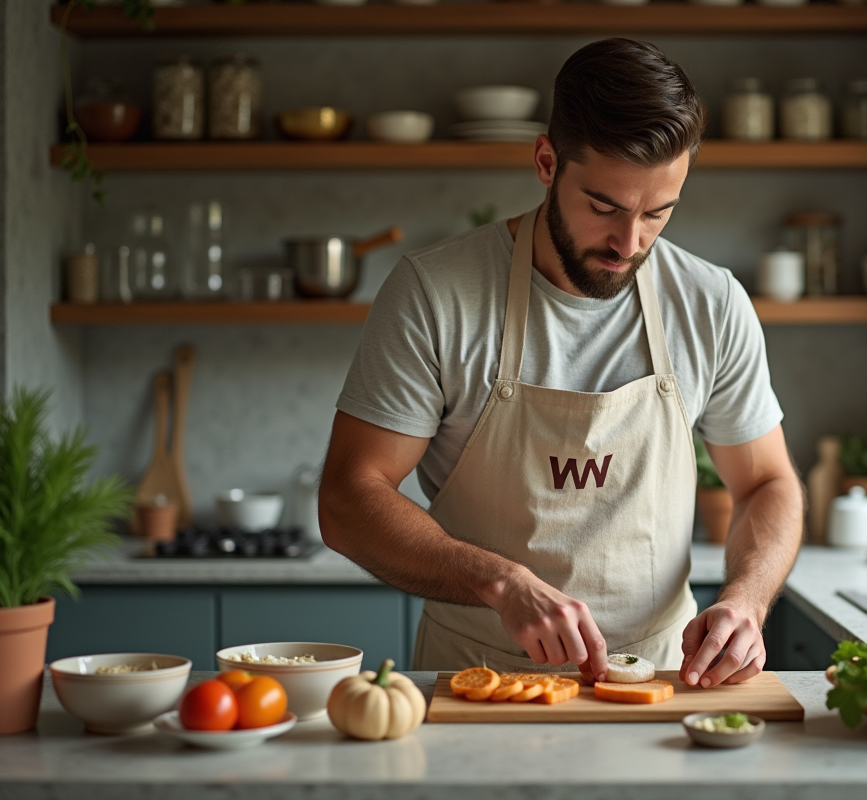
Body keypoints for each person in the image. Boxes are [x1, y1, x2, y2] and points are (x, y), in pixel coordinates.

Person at [319, 38, 803, 689]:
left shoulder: (710, 303)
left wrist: (746, 600)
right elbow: (349, 497)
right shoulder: (436, 294)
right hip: (477, 679)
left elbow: (768, 483)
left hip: (664, 678)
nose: (629, 243)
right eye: (604, 207)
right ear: (547, 162)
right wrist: (500, 582)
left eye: (657, 213)